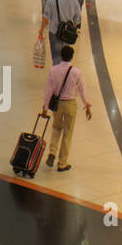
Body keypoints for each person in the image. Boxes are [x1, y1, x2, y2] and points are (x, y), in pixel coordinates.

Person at [40, 45, 92, 173]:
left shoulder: (53, 70)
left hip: (57, 105)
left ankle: (52, 152)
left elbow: (49, 90)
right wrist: (87, 105)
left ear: (61, 55)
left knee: (56, 127)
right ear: (72, 56)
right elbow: (82, 90)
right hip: (70, 104)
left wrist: (45, 107)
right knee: (67, 132)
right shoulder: (77, 72)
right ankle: (62, 163)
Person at [39, 0, 83, 66]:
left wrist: (41, 30)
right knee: (65, 59)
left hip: (55, 32)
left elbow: (45, 18)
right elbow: (77, 20)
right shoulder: (74, 0)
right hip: (68, 35)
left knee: (56, 59)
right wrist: (71, 28)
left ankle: (56, 75)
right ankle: (64, 76)